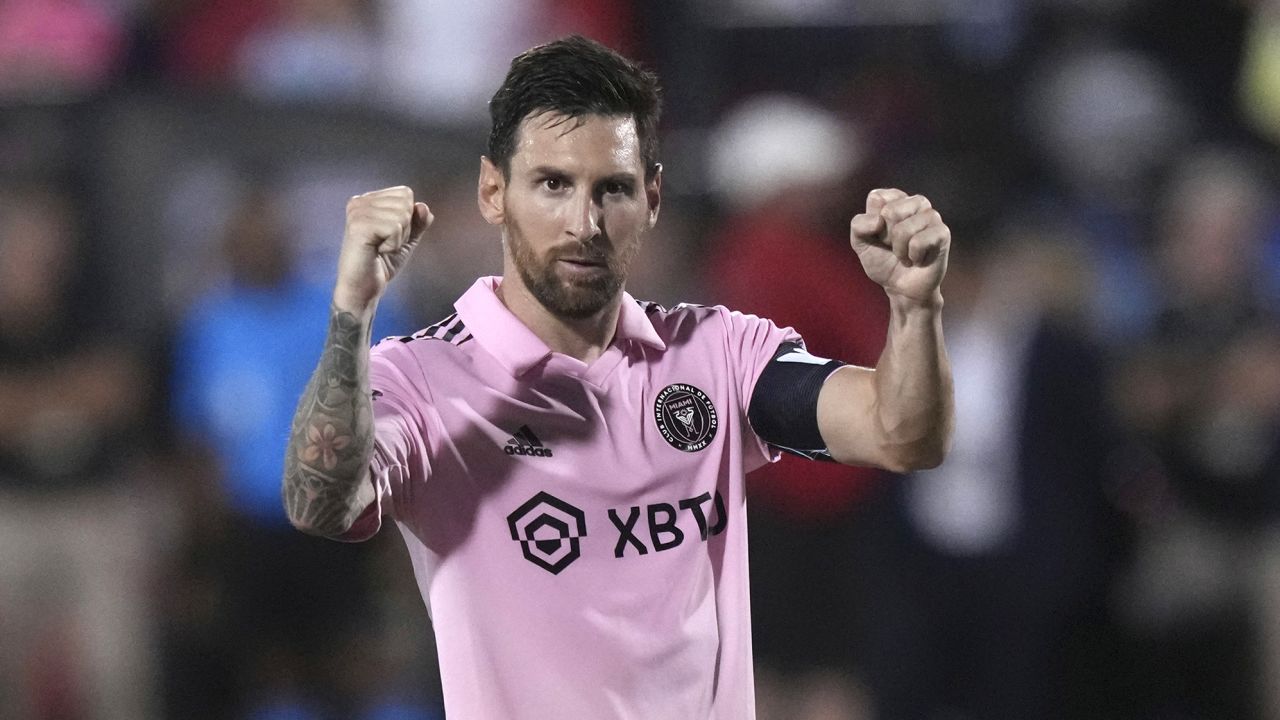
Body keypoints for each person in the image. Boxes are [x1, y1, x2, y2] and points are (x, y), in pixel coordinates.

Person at [282, 35, 954, 718]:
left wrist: (914, 304)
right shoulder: (425, 376)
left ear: (652, 198)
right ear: (494, 192)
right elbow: (320, 502)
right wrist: (350, 315)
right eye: (553, 185)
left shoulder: (717, 353)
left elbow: (902, 435)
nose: (585, 223)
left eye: (613, 189)